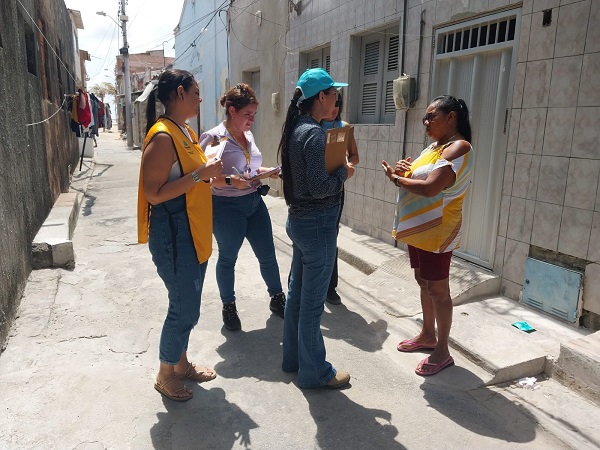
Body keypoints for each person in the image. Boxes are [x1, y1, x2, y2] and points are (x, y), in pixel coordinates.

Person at [137, 69, 223, 401]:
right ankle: (164, 372)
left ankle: (182, 364)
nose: (201, 99)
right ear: (181, 93)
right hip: (173, 232)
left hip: (192, 228)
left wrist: (208, 171)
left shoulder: (184, 130)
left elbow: (193, 176)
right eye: (197, 92)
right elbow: (153, 193)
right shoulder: (162, 137)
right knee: (183, 306)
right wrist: (200, 175)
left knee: (190, 301)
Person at [381, 95, 473, 377]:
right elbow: (421, 177)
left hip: (437, 231)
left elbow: (432, 187)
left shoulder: (458, 147)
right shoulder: (435, 147)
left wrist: (396, 179)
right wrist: (405, 171)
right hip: (419, 231)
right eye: (425, 116)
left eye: (431, 116)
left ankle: (442, 350)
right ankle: (427, 335)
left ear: (451, 117)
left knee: (438, 290)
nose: (426, 121)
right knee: (424, 282)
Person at [278, 68, 355, 389]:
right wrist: (343, 174)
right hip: (317, 225)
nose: (337, 97)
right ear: (320, 97)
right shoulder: (312, 134)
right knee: (311, 305)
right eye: (334, 93)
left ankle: (293, 360)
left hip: (300, 221)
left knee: (297, 296)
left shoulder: (299, 128)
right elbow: (319, 185)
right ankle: (315, 373)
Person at [198, 83, 286, 332]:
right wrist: (229, 181)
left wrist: (267, 172)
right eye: (248, 114)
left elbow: (248, 169)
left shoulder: (247, 136)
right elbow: (203, 177)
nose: (251, 120)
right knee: (228, 258)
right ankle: (229, 306)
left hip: (254, 202)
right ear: (232, 111)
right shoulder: (215, 138)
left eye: (254, 115)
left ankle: (277, 298)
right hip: (226, 207)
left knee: (268, 255)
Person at [320, 90, 359, 305]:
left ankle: (330, 287)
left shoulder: (343, 126)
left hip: (336, 189)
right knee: (311, 241)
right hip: (314, 190)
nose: (335, 109)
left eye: (339, 105)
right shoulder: (313, 126)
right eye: (333, 103)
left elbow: (355, 155)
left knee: (331, 238)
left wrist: (348, 165)